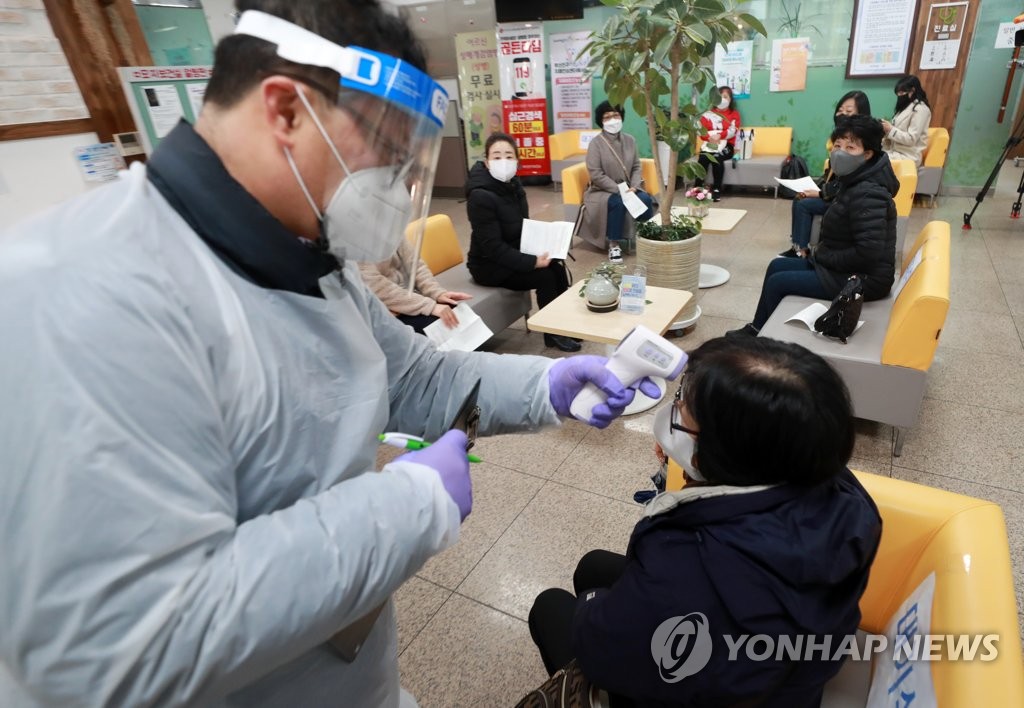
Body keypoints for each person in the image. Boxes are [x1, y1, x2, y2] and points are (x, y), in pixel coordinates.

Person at [0, 2, 653, 705]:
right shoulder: (81, 292)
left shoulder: (312, 253)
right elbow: (115, 644)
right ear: (284, 110)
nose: (400, 190)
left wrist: (548, 385)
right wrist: (408, 505)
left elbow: (420, 378)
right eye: (387, 156)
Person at [528, 336, 882, 707]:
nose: (675, 409)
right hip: (788, 678)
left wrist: (590, 603)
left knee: (554, 604)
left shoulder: (685, 567)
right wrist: (699, 475)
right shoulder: (840, 490)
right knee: (593, 565)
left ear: (725, 452)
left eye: (683, 410)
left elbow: (602, 648)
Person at [731, 115, 898, 337]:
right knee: (775, 266)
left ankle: (759, 340)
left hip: (864, 279)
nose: (840, 152)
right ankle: (757, 328)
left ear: (868, 154)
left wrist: (822, 256)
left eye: (851, 147)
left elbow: (867, 253)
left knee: (779, 282)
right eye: (838, 145)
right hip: (845, 267)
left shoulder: (869, 192)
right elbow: (841, 196)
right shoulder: (856, 178)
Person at [466, 132, 580, 352]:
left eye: (509, 155)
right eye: (497, 156)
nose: (503, 161)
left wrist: (548, 242)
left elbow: (522, 226)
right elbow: (492, 248)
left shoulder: (513, 186)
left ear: (517, 160)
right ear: (487, 162)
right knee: (545, 275)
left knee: (556, 267)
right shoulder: (480, 196)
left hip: (511, 251)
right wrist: (531, 261)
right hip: (488, 265)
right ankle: (552, 334)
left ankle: (563, 325)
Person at [779, 91, 872, 258]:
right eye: (840, 110)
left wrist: (821, 193)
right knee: (799, 197)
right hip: (835, 192)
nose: (843, 114)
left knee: (804, 204)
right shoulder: (836, 136)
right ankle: (797, 246)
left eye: (849, 111)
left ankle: (803, 251)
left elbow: (849, 184)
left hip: (844, 200)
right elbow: (833, 173)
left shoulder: (863, 145)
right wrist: (819, 187)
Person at [580, 101, 657, 264]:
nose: (612, 119)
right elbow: (596, 174)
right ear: (601, 121)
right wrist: (617, 189)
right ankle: (614, 244)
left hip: (630, 188)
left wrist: (635, 186)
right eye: (607, 117)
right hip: (602, 190)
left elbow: (636, 166)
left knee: (646, 199)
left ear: (621, 117)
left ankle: (647, 238)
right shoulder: (596, 144)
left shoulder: (630, 140)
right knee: (618, 203)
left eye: (615, 115)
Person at [358, 239, 472, 333]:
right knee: (436, 325)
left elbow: (415, 264)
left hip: (408, 297)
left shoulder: (391, 223)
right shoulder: (352, 242)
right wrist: (428, 306)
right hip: (381, 307)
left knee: (453, 310)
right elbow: (376, 286)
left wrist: (437, 293)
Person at [695, 85, 741, 202]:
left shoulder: (734, 114)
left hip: (727, 145)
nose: (723, 99)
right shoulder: (707, 114)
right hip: (709, 143)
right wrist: (710, 138)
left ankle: (716, 189)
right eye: (720, 97)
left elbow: (733, 130)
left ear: (730, 99)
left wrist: (720, 135)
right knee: (703, 158)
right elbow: (701, 131)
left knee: (717, 158)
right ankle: (698, 188)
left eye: (726, 97)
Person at [882, 74, 931, 167]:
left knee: (871, 160)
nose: (899, 96)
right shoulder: (904, 108)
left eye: (901, 93)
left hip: (908, 156)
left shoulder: (920, 109)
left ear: (912, 90)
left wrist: (890, 129)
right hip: (894, 152)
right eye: (898, 94)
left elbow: (911, 139)